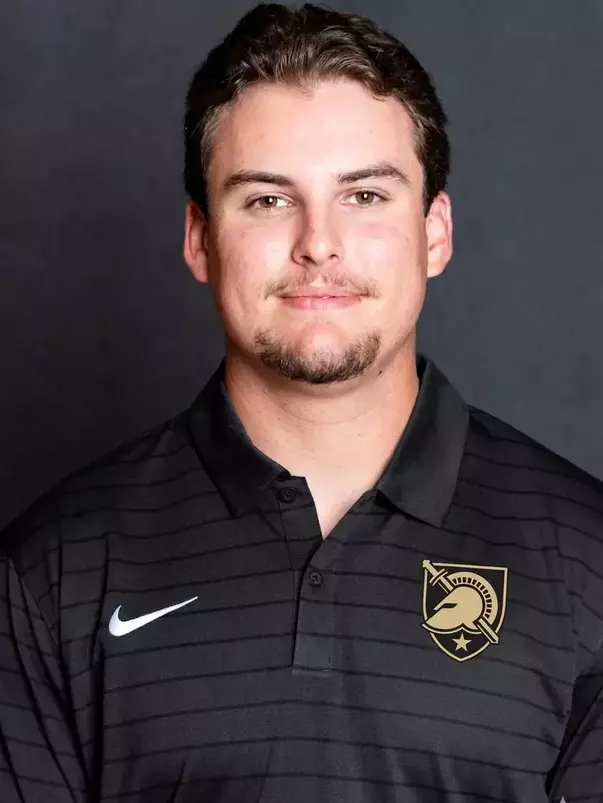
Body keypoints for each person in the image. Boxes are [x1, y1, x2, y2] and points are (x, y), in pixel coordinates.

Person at [1, 2, 601, 801]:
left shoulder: (587, 561)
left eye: (363, 196)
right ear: (199, 239)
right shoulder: (51, 571)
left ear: (435, 233)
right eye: (267, 199)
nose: (318, 242)